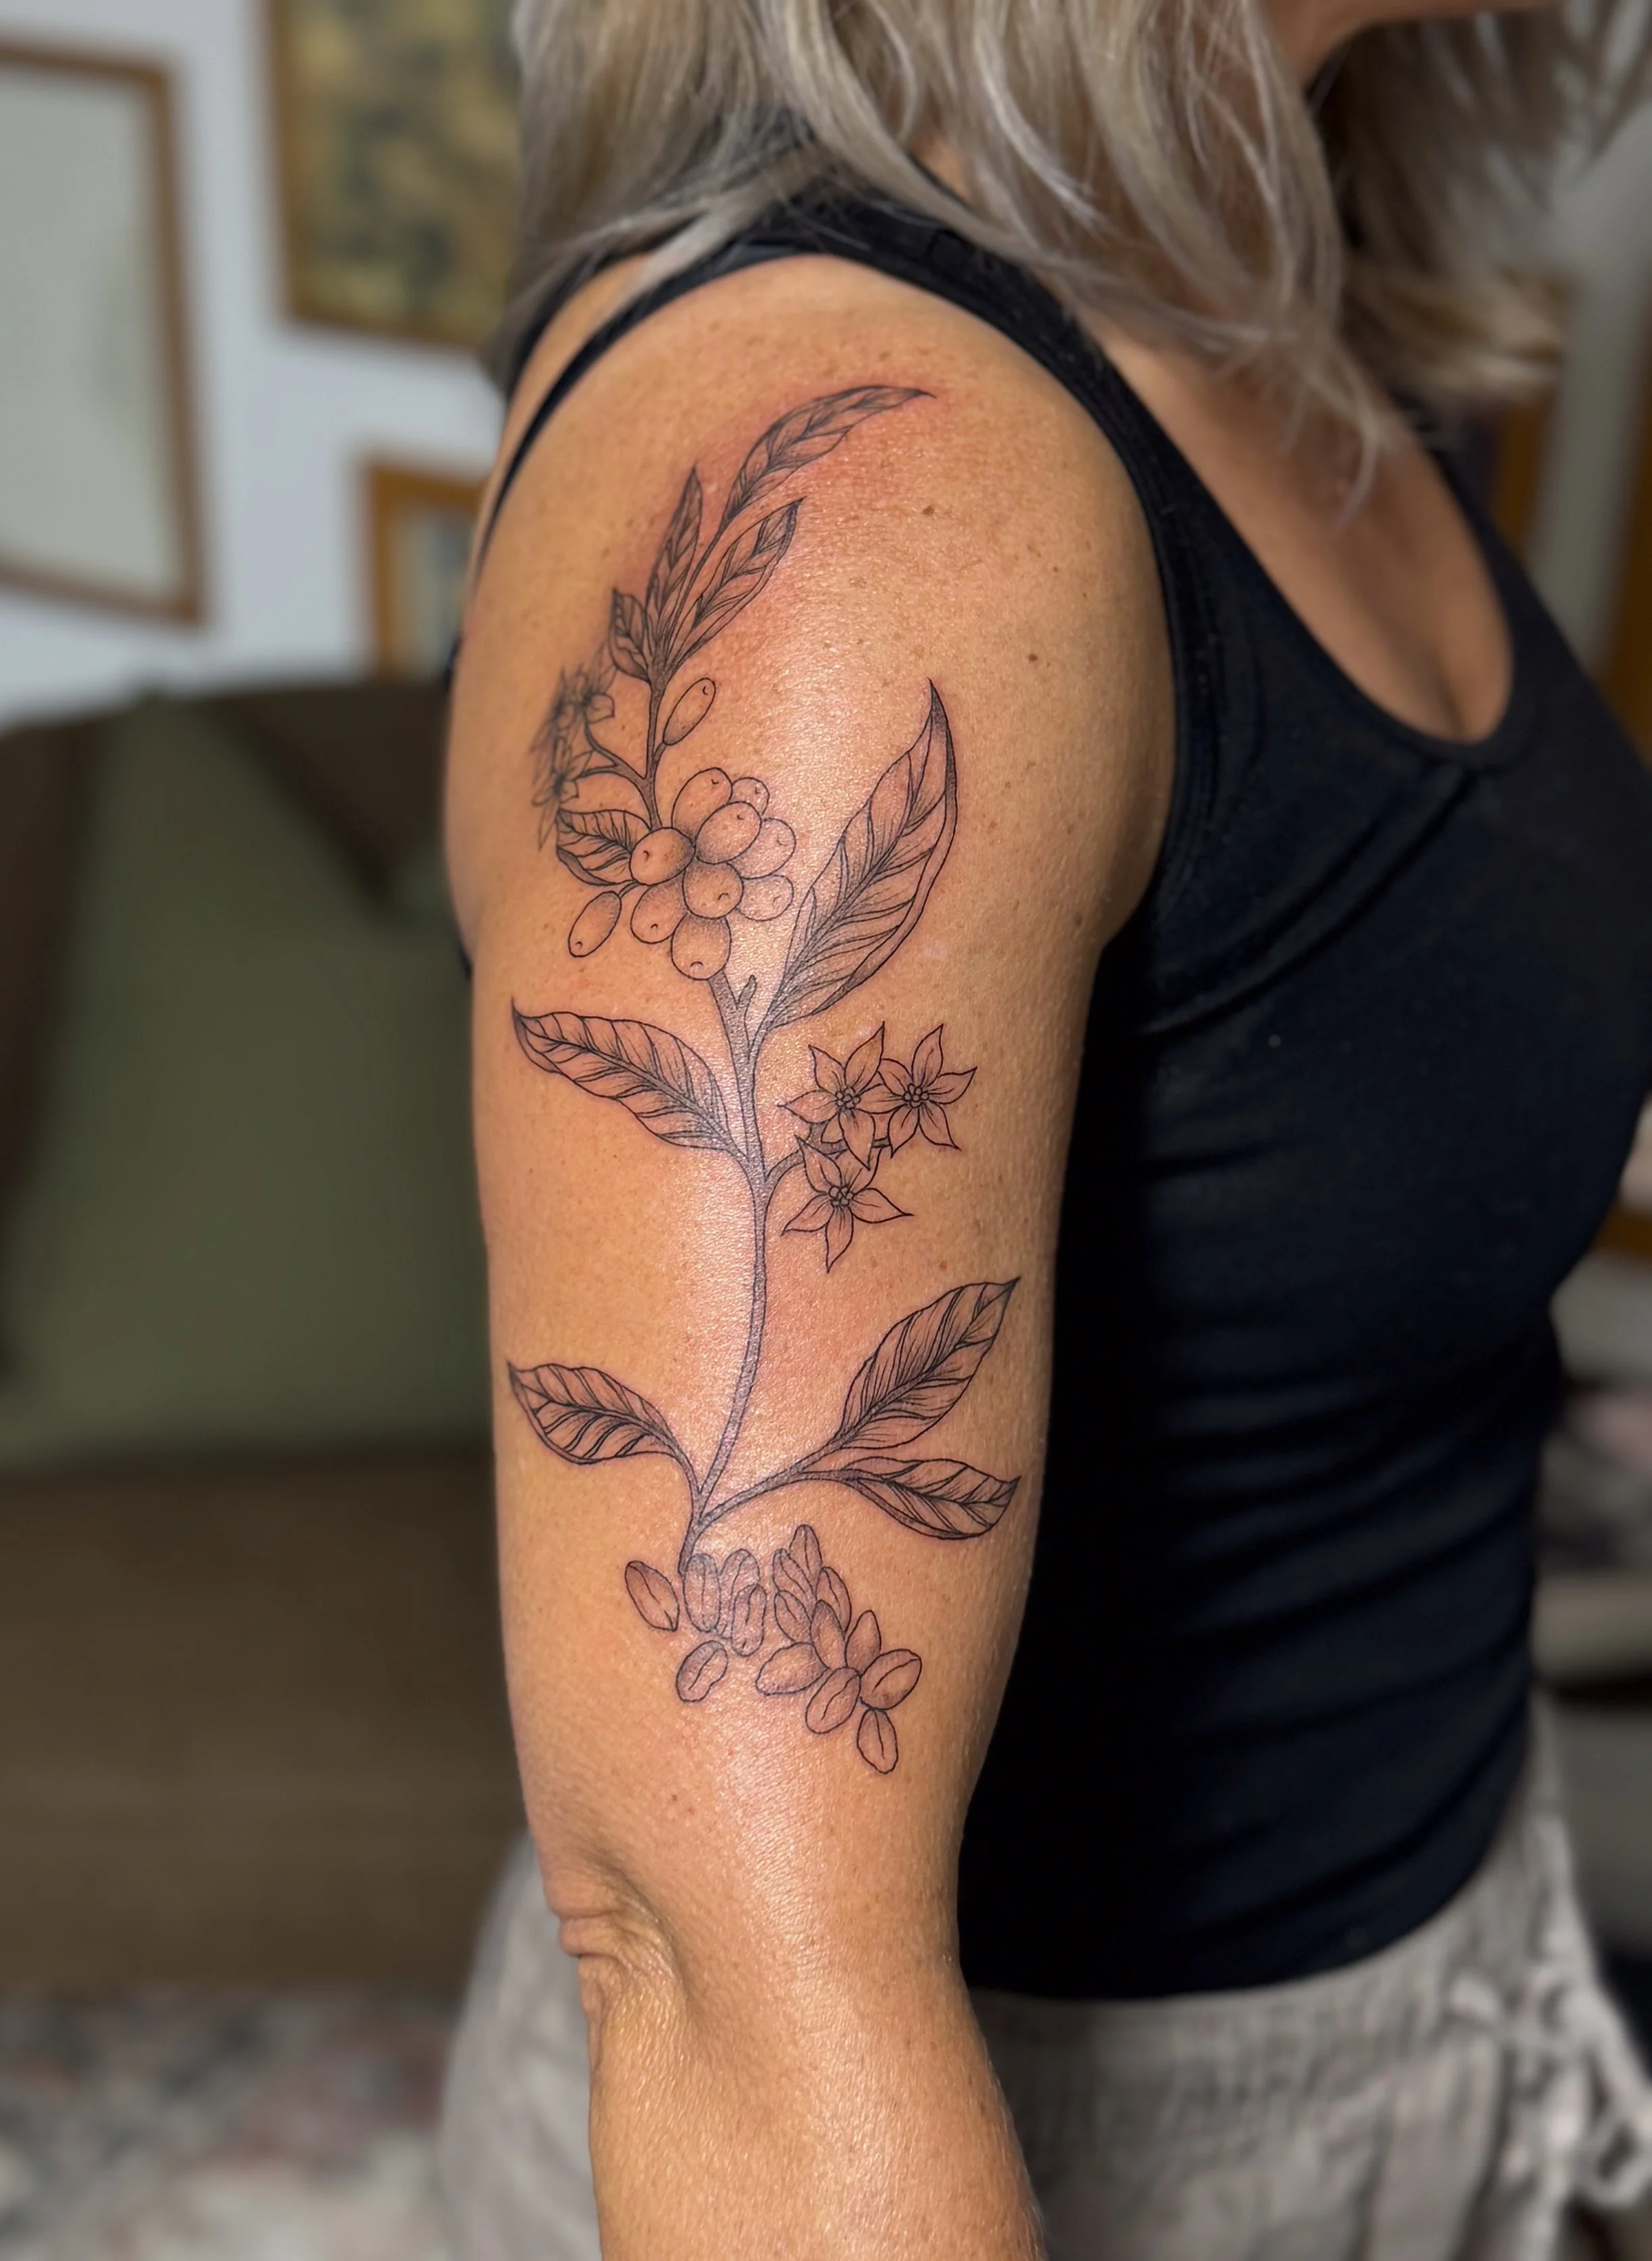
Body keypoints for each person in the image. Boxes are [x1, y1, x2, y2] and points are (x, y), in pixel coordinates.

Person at [439, 3, 1652, 2254]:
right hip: (1040, 2150)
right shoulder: (855, 498)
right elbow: (737, 1980)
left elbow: (1350, 1036)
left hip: (1438, 1979)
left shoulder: (1269, 263)